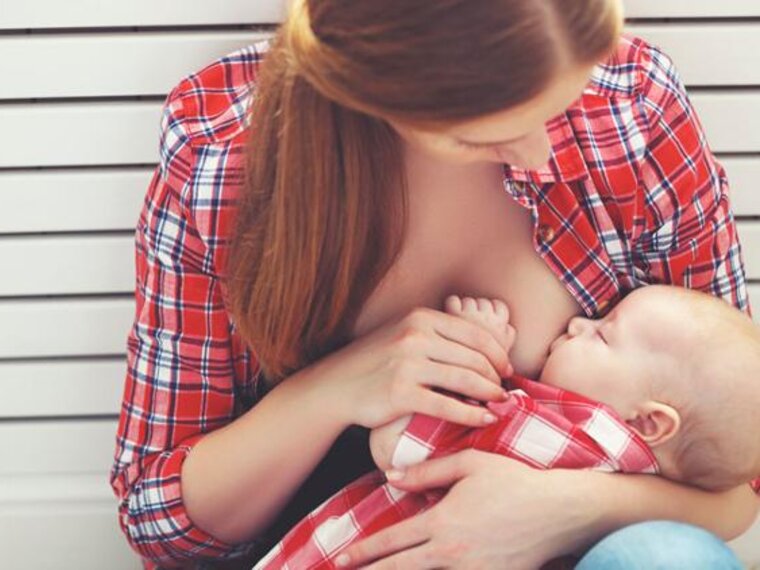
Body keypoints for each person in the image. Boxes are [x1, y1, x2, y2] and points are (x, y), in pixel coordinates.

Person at [108, 0, 759, 568]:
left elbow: (738, 476)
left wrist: (564, 507)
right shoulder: (223, 152)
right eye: (490, 134)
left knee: (667, 558)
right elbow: (160, 524)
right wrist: (340, 386)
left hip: (584, 548)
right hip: (347, 543)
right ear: (380, 95)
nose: (540, 154)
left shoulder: (632, 106)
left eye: (564, 100)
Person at [251, 285, 760, 569]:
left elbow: (398, 445)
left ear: (647, 420)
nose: (579, 323)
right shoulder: (650, 474)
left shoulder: (567, 435)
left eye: (603, 336)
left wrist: (476, 358)